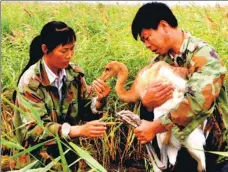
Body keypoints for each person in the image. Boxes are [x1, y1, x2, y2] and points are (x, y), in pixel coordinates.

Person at [131, 2, 228, 172]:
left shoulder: (204, 55)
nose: (146, 44)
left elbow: (198, 102)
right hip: (179, 154)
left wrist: (155, 127)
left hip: (216, 153)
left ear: (163, 26)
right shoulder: (158, 64)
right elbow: (146, 106)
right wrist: (147, 103)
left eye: (147, 37)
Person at [13, 21, 110, 171]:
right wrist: (77, 130)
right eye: (64, 51)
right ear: (45, 49)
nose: (69, 55)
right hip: (37, 162)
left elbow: (84, 107)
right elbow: (34, 130)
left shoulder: (74, 74)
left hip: (67, 158)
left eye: (72, 49)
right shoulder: (30, 82)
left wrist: (99, 101)